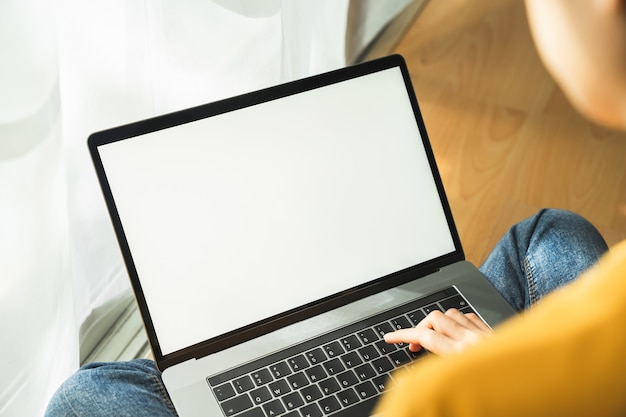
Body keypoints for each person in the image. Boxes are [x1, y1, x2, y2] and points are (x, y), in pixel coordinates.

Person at [45, 0, 626, 415]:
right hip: (489, 358)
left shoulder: (436, 402)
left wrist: (508, 383)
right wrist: (507, 355)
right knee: (553, 234)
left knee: (86, 397)